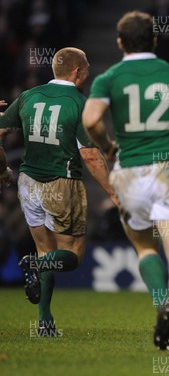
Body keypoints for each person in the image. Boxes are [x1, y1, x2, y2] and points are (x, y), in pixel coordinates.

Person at [82, 11, 169, 356]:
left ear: (120, 42)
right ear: (155, 41)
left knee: (144, 247)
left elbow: (91, 119)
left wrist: (108, 146)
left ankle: (161, 303)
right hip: (167, 170)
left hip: (128, 171)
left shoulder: (109, 77)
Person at [0, 48, 117, 336]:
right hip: (61, 183)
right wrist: (114, 193)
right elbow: (90, 156)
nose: (89, 73)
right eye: (87, 68)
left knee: (45, 249)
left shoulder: (28, 96)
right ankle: (35, 265)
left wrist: (3, 170)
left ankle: (44, 321)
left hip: (27, 182)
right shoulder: (79, 103)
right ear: (77, 72)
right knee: (72, 255)